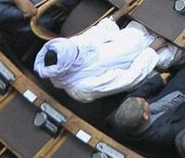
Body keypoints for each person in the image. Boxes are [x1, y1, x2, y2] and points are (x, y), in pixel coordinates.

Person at [34, 18, 177, 102]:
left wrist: (118, 14)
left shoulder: (68, 48)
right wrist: (151, 50)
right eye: (76, 51)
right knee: (174, 49)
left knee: (150, 17)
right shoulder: (82, 88)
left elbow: (92, 35)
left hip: (127, 40)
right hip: (141, 65)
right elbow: (129, 78)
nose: (78, 47)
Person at [110, 63, 185, 156]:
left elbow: (136, 95)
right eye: (143, 103)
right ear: (145, 116)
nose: (143, 99)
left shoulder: (120, 115)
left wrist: (157, 81)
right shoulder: (163, 134)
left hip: (174, 90)